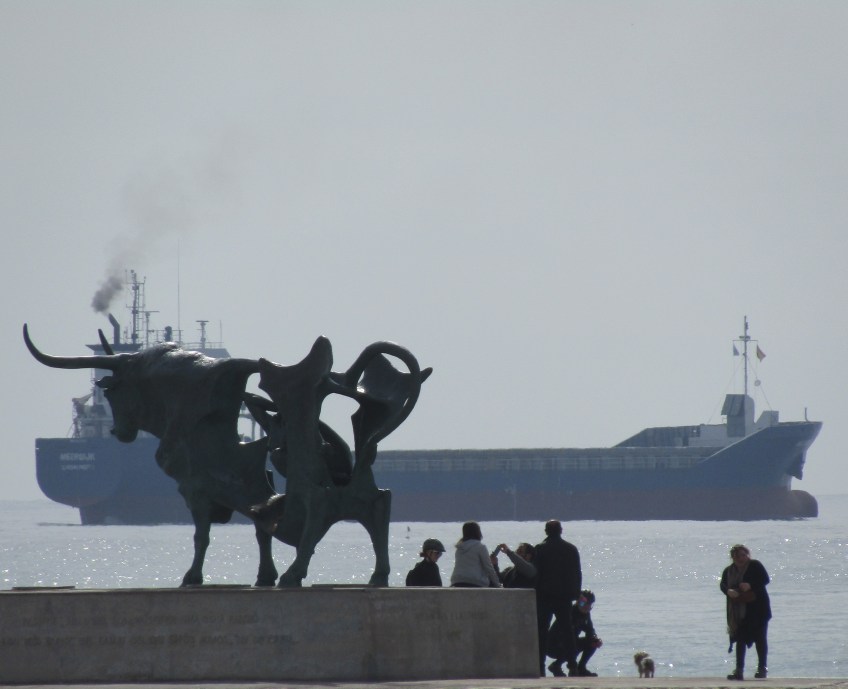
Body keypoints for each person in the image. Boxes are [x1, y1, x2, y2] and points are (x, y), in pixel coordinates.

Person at [534, 519, 582, 677]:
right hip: (564, 597)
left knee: (542, 632)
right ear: (561, 531)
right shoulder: (571, 549)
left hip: (545, 596)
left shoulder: (540, 549)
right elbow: (577, 573)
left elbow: (536, 574)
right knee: (568, 631)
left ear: (546, 531)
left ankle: (540, 666)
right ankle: (573, 666)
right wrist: (576, 593)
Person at [720, 544, 772, 680]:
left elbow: (765, 579)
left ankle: (762, 668)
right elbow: (723, 585)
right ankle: (739, 670)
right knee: (740, 638)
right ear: (733, 557)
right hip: (739, 611)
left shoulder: (755, 565)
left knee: (760, 638)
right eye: (738, 556)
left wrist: (750, 585)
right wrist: (728, 591)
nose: (741, 558)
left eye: (744, 555)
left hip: (759, 609)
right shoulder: (729, 571)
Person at [547, 589, 602, 677]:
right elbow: (562, 635)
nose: (586, 607)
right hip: (554, 646)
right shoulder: (569, 613)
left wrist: (595, 639)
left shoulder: (586, 615)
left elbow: (590, 630)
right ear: (578, 602)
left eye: (589, 605)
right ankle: (556, 666)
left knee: (592, 642)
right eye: (583, 603)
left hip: (571, 643)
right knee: (571, 645)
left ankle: (581, 668)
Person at [450, 521, 501, 588]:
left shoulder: (459, 548)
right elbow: (489, 568)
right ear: (478, 532)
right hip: (475, 582)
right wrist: (498, 585)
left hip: (457, 581)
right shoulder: (480, 547)